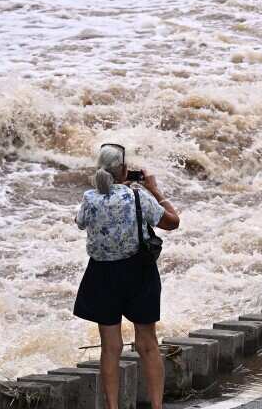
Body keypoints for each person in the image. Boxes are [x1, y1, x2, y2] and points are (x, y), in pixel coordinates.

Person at [73, 143, 180, 409]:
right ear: (123, 170)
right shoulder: (136, 196)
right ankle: (156, 406)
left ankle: (112, 407)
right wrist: (154, 189)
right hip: (138, 273)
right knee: (147, 343)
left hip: (101, 275)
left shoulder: (90, 198)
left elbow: (81, 222)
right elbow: (172, 222)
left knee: (110, 347)